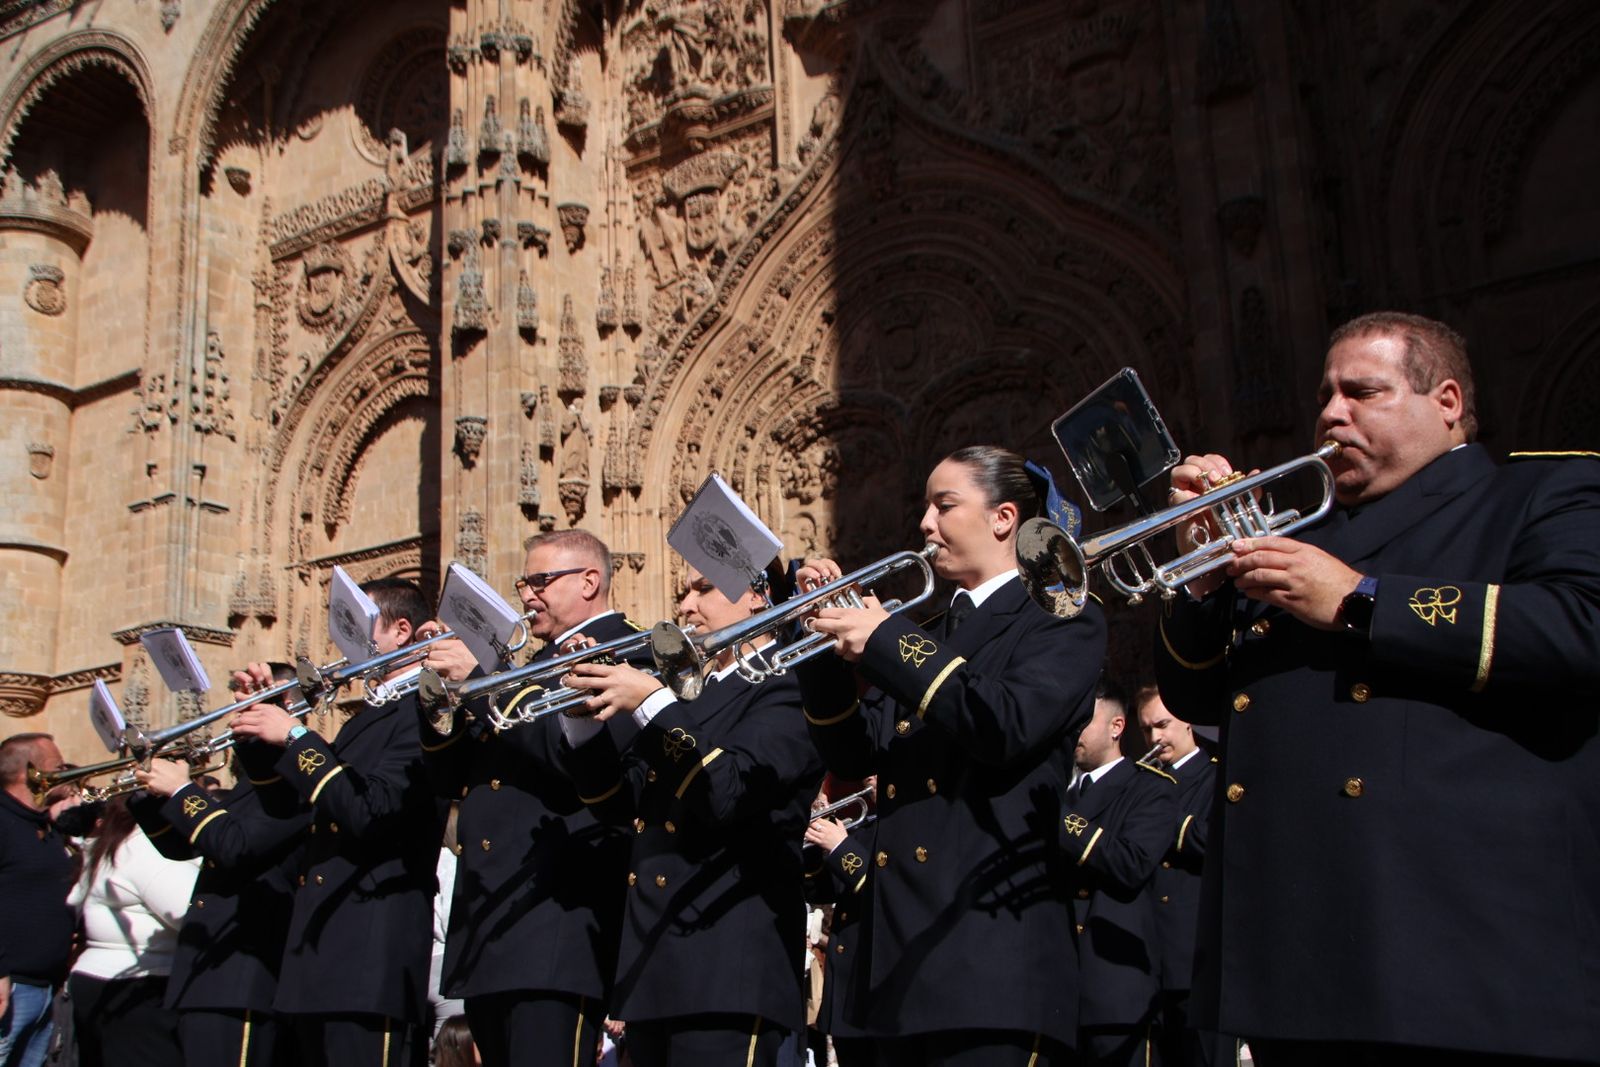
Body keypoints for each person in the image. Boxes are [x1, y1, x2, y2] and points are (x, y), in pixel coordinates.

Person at [1154, 311, 1600, 1065]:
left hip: (1455, 960)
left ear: (1448, 403)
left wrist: (1362, 600)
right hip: (1294, 957)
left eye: (1362, 391)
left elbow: (1580, 626)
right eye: (1326, 394)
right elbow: (1199, 697)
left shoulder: (1538, 491)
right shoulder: (1303, 537)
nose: (1331, 412)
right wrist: (1200, 578)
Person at [797, 445, 1107, 1065]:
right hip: (901, 957)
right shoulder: (931, 631)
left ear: (1003, 518)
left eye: (944, 505)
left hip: (989, 956)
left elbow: (1005, 724)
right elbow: (855, 751)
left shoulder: (1060, 613)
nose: (925, 524)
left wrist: (887, 639)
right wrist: (822, 646)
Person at [557, 562, 826, 1066]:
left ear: (758, 598)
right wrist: (582, 724)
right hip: (656, 962)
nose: (685, 607)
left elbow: (725, 793)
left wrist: (655, 704)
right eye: (684, 591)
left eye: (704, 589)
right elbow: (621, 805)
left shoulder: (787, 686)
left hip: (729, 967)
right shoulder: (690, 694)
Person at [418, 530, 644, 1067]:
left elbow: (581, 761)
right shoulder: (524, 668)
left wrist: (483, 679)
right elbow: (450, 777)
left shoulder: (629, 647)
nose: (528, 595)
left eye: (542, 580)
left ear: (590, 581)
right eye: (524, 582)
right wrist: (441, 698)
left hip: (558, 923)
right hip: (493, 921)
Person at [230, 577, 444, 1067]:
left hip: (371, 952)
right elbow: (300, 805)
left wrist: (297, 737)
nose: (340, 641)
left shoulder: (423, 708)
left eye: (355, 626)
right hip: (324, 952)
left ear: (402, 630)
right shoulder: (370, 713)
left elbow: (369, 812)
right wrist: (263, 726)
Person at [131, 665, 311, 1067]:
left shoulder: (296, 783)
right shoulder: (250, 785)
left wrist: (181, 790)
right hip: (207, 969)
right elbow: (183, 847)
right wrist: (145, 790)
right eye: (244, 701)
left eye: (263, 702)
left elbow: (233, 847)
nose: (246, 712)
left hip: (244, 974)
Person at [1063, 680, 1176, 1067]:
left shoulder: (1149, 789)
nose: (1072, 732)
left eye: (1083, 722)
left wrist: (1059, 819)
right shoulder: (1061, 793)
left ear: (1116, 727)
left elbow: (1131, 864)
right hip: (1054, 992)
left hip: (1115, 989)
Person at [67, 795, 200, 1067]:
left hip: (106, 981)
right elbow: (191, 913)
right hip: (136, 985)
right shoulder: (145, 846)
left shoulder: (115, 841)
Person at [1135, 685, 1222, 1067]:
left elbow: (1216, 843)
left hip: (1196, 959)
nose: (1155, 737)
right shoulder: (1143, 784)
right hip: (1152, 961)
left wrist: (1159, 820)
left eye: (1163, 725)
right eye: (1146, 729)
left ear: (1187, 722)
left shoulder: (1217, 776)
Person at [0, 734, 78, 1067]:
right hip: (10, 988)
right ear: (29, 772)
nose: (66, 771)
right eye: (57, 766)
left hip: (44, 988)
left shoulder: (45, 826)